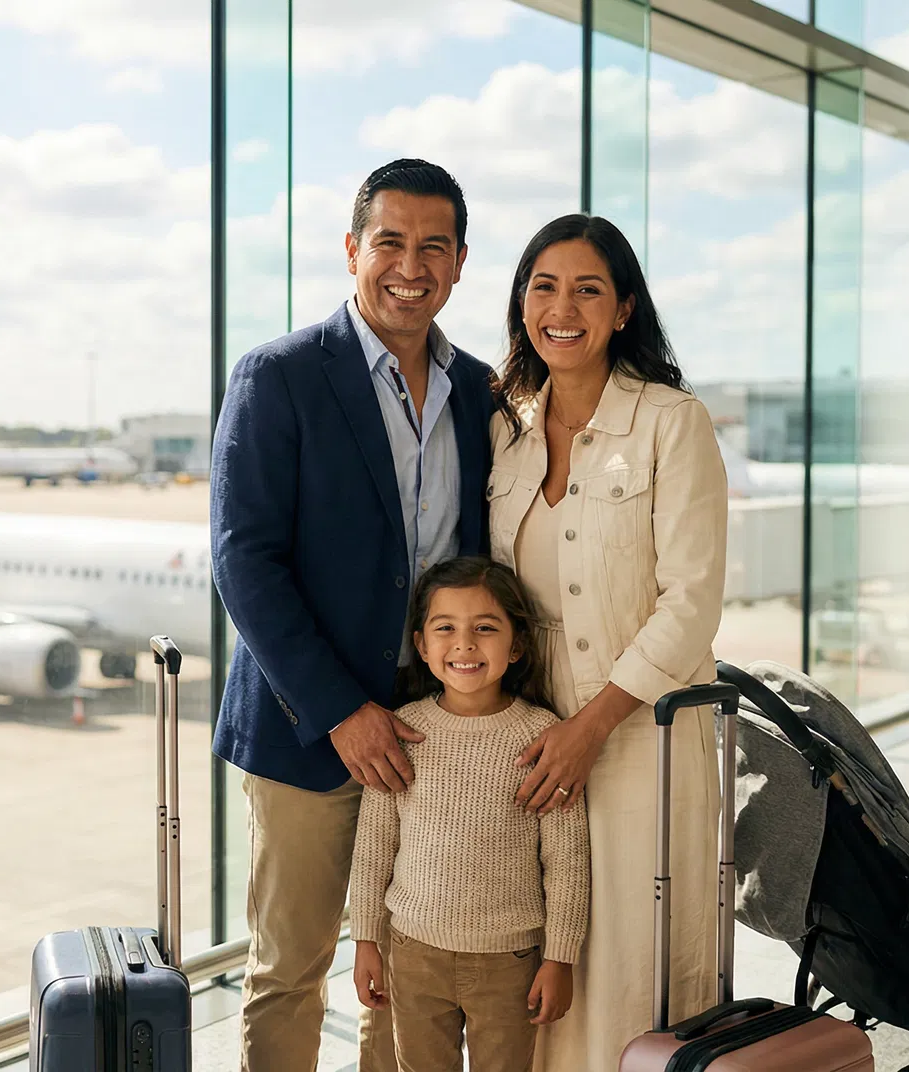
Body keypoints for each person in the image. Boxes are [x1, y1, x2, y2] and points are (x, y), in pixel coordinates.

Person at [210, 158, 497, 1072]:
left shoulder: (483, 393)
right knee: (292, 967)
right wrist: (340, 709)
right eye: (390, 242)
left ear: (458, 264)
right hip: (309, 733)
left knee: (409, 969)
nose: (409, 265)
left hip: (435, 736)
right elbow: (243, 561)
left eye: (432, 247)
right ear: (351, 251)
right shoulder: (280, 376)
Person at [485, 214, 729, 1070]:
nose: (563, 307)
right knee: (544, 977)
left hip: (640, 742)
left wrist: (592, 728)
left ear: (623, 309)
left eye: (588, 289)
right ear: (521, 304)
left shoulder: (673, 422)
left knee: (632, 971)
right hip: (531, 745)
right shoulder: (503, 427)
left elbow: (692, 602)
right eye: (543, 287)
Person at [349, 556, 589, 1072]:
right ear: (421, 645)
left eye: (485, 628)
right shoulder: (402, 733)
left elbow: (568, 861)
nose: (464, 644)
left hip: (509, 963)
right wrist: (366, 939)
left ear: (517, 644)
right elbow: (373, 847)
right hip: (413, 955)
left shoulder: (541, 738)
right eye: (446, 629)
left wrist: (560, 958)